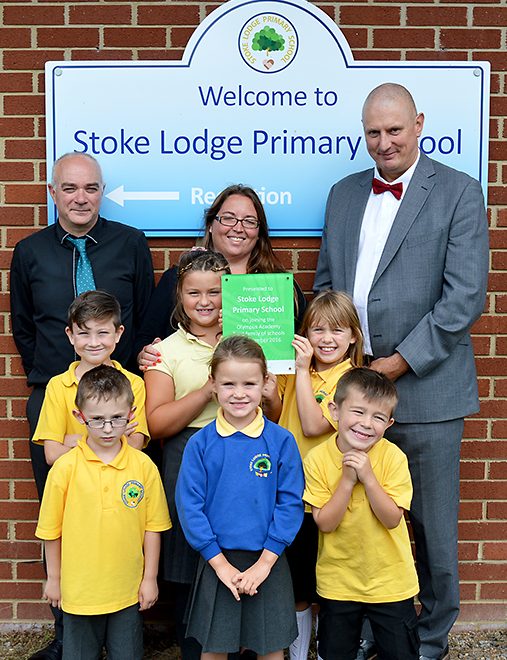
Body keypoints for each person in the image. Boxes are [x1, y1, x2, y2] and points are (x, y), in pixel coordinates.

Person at [314, 83, 489, 660]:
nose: (383, 143)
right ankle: (371, 636)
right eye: (373, 132)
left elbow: (463, 300)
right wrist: (335, 358)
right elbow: (324, 289)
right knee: (361, 524)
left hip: (429, 391)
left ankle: (431, 639)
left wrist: (394, 363)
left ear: (418, 123)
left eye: (394, 130)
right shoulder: (342, 195)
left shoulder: (459, 193)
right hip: (356, 394)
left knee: (433, 532)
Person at [9, 152, 154, 660]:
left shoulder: (130, 243)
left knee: (115, 513)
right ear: (53, 193)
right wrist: (53, 373)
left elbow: (141, 317)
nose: (80, 197)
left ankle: (121, 623)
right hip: (56, 392)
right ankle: (71, 635)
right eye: (69, 188)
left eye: (90, 188)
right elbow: (23, 326)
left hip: (117, 403)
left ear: (102, 191)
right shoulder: (28, 252)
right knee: (65, 511)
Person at [175, 335, 305, 660]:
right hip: (218, 559)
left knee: (270, 647)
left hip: (268, 559)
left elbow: (290, 503)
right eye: (228, 383)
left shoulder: (281, 441)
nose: (239, 393)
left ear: (265, 384)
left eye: (249, 383)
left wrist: (265, 562)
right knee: (215, 648)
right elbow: (189, 506)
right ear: (213, 385)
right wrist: (218, 562)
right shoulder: (200, 443)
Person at [35, 365, 171, 660]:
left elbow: (153, 527)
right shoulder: (65, 468)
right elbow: (51, 530)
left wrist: (150, 578)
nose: (108, 429)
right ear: (79, 417)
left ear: (131, 415)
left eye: (116, 419)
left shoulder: (143, 466)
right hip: (79, 591)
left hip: (126, 591)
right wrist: (55, 579)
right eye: (97, 420)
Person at [263, 290, 363, 660]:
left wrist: (302, 370)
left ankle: (326, 649)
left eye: (337, 330)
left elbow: (311, 423)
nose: (326, 339)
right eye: (317, 329)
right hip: (289, 488)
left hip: (325, 494)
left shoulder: (351, 378)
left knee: (329, 583)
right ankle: (300, 653)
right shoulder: (294, 370)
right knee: (298, 584)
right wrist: (273, 394)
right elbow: (279, 414)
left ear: (353, 336)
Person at [144, 249, 230, 659]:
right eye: (194, 292)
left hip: (240, 454)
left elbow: (277, 413)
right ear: (180, 294)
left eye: (215, 291)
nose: (205, 300)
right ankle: (192, 648)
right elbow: (157, 424)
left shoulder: (248, 341)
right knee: (187, 555)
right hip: (187, 455)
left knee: (235, 548)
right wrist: (207, 391)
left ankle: (237, 644)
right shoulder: (166, 351)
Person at [303, 368, 420, 660]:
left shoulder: (393, 457)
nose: (366, 424)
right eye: (358, 412)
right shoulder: (317, 459)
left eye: (378, 417)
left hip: (390, 581)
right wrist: (346, 481)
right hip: (339, 581)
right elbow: (325, 524)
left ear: (389, 423)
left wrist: (368, 478)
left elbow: (392, 518)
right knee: (336, 653)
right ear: (335, 410)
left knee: (399, 653)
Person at [136, 184, 306, 369]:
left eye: (249, 221)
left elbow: (304, 342)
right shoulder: (178, 278)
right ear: (210, 225)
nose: (238, 228)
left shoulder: (280, 286)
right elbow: (144, 338)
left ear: (259, 233)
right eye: (228, 218)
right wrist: (145, 354)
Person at [32, 290, 149, 465]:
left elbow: (135, 446)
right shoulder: (58, 386)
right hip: (75, 484)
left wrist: (75, 440)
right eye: (84, 333)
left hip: (119, 479)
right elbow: (53, 454)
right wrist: (115, 437)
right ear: (71, 335)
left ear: (118, 334)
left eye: (102, 333)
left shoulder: (134, 383)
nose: (94, 343)